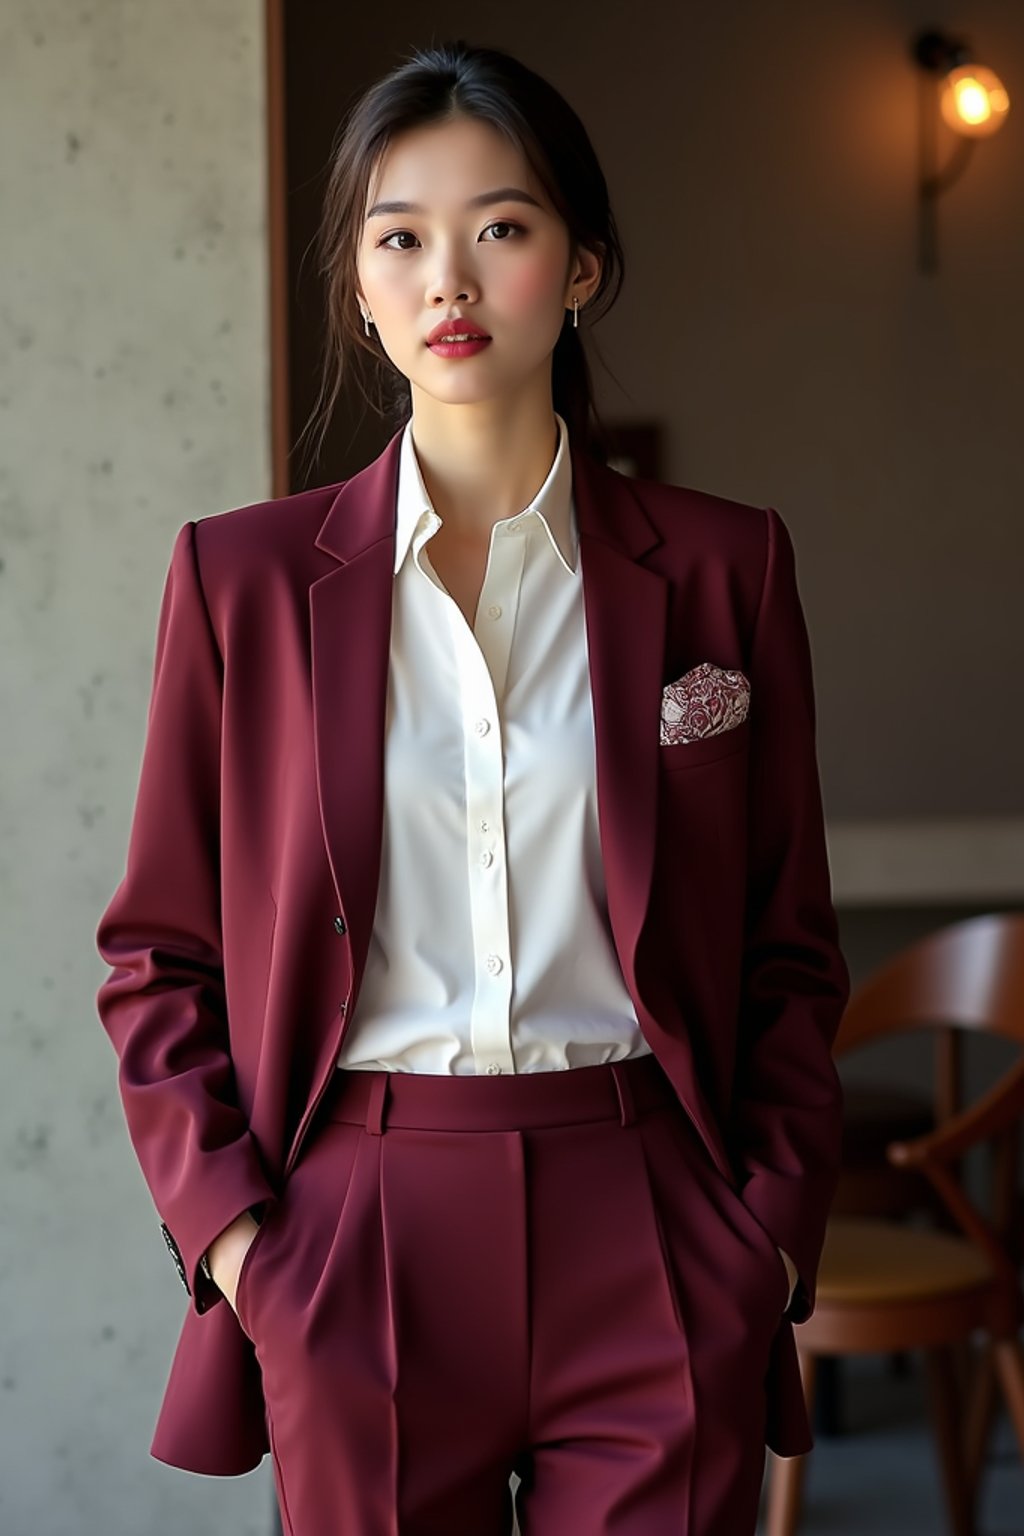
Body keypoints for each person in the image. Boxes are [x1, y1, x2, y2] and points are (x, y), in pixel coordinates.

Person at [95, 37, 850, 1536]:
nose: (451, 279)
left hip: (651, 1211)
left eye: (501, 228)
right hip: (355, 1233)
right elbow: (157, 956)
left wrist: (757, 1241)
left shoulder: (725, 565)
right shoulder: (239, 580)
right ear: (360, 285)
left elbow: (789, 947)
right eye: (401, 238)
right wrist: (243, 1244)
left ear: (579, 269)